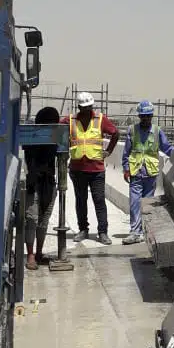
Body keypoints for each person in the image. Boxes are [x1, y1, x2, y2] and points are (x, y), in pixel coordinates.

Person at [61, 91, 118, 246]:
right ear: (79, 106)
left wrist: (109, 151)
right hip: (77, 169)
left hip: (96, 169)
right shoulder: (71, 120)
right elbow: (57, 129)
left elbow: (115, 133)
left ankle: (103, 232)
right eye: (84, 107)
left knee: (99, 200)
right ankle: (83, 229)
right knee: (81, 201)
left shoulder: (100, 120)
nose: (87, 109)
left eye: (89, 106)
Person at [121, 100, 173, 245]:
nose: (146, 119)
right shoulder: (132, 130)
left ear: (151, 116)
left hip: (150, 173)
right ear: (139, 116)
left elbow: (167, 149)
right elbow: (126, 152)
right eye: (143, 116)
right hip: (136, 171)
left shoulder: (157, 131)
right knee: (135, 203)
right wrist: (126, 169)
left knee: (147, 205)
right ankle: (135, 232)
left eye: (148, 116)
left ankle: (146, 232)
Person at [24, 106, 60, 271]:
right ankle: (30, 255)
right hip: (34, 183)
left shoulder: (56, 137)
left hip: (49, 183)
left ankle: (39, 253)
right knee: (32, 219)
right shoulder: (32, 136)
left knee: (43, 220)